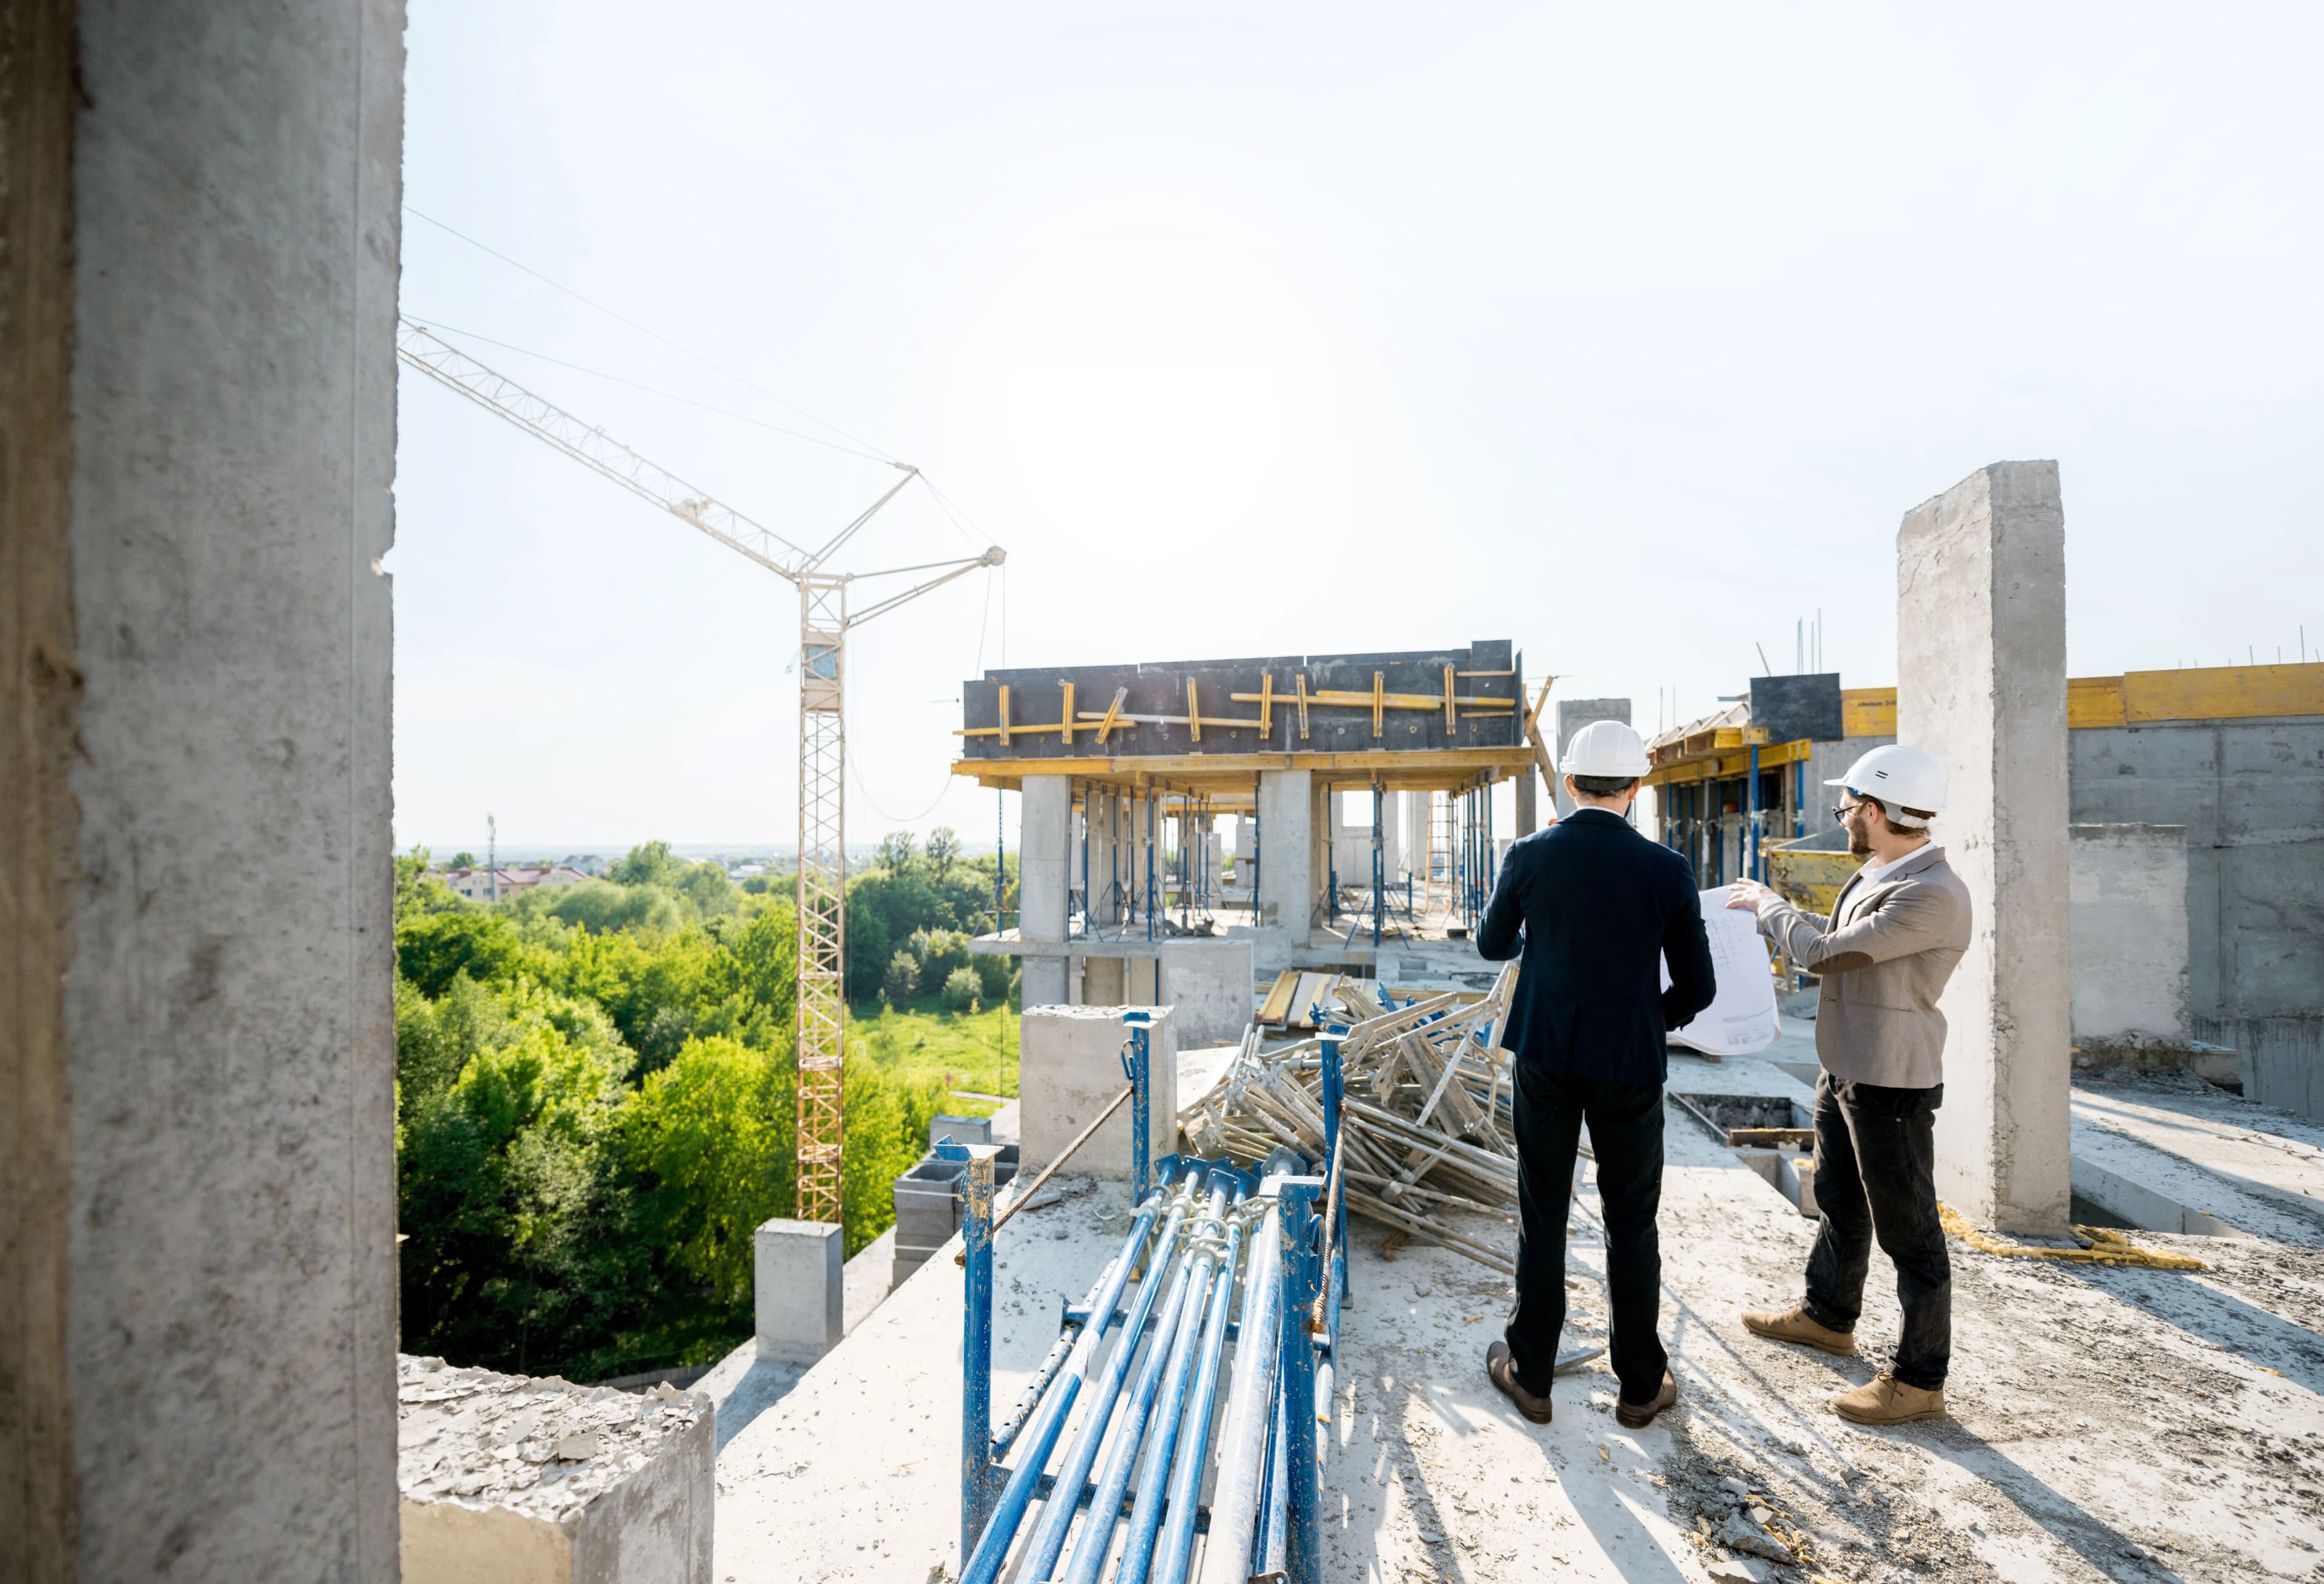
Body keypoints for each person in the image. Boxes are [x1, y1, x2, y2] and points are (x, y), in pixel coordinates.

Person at [1476, 719, 1715, 1429]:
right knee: (1631, 1221)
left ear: (1570, 782)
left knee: (1544, 1213)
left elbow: (1494, 944)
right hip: (1630, 1066)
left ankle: (1532, 1374)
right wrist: (1649, 1017)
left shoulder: (1530, 854)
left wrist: (1542, 936)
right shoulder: (1667, 869)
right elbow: (1697, 989)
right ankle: (1641, 1385)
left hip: (1547, 1054)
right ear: (1636, 788)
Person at [1724, 743, 1970, 1427]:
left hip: (1891, 1079)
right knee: (1836, 1195)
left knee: (1910, 1229)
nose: (1842, 818)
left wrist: (1770, 908)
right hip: (1848, 1065)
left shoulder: (1931, 894)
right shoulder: (1879, 870)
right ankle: (1829, 1314)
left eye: (1846, 807)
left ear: (1872, 809)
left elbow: (1827, 954)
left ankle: (1920, 1379)